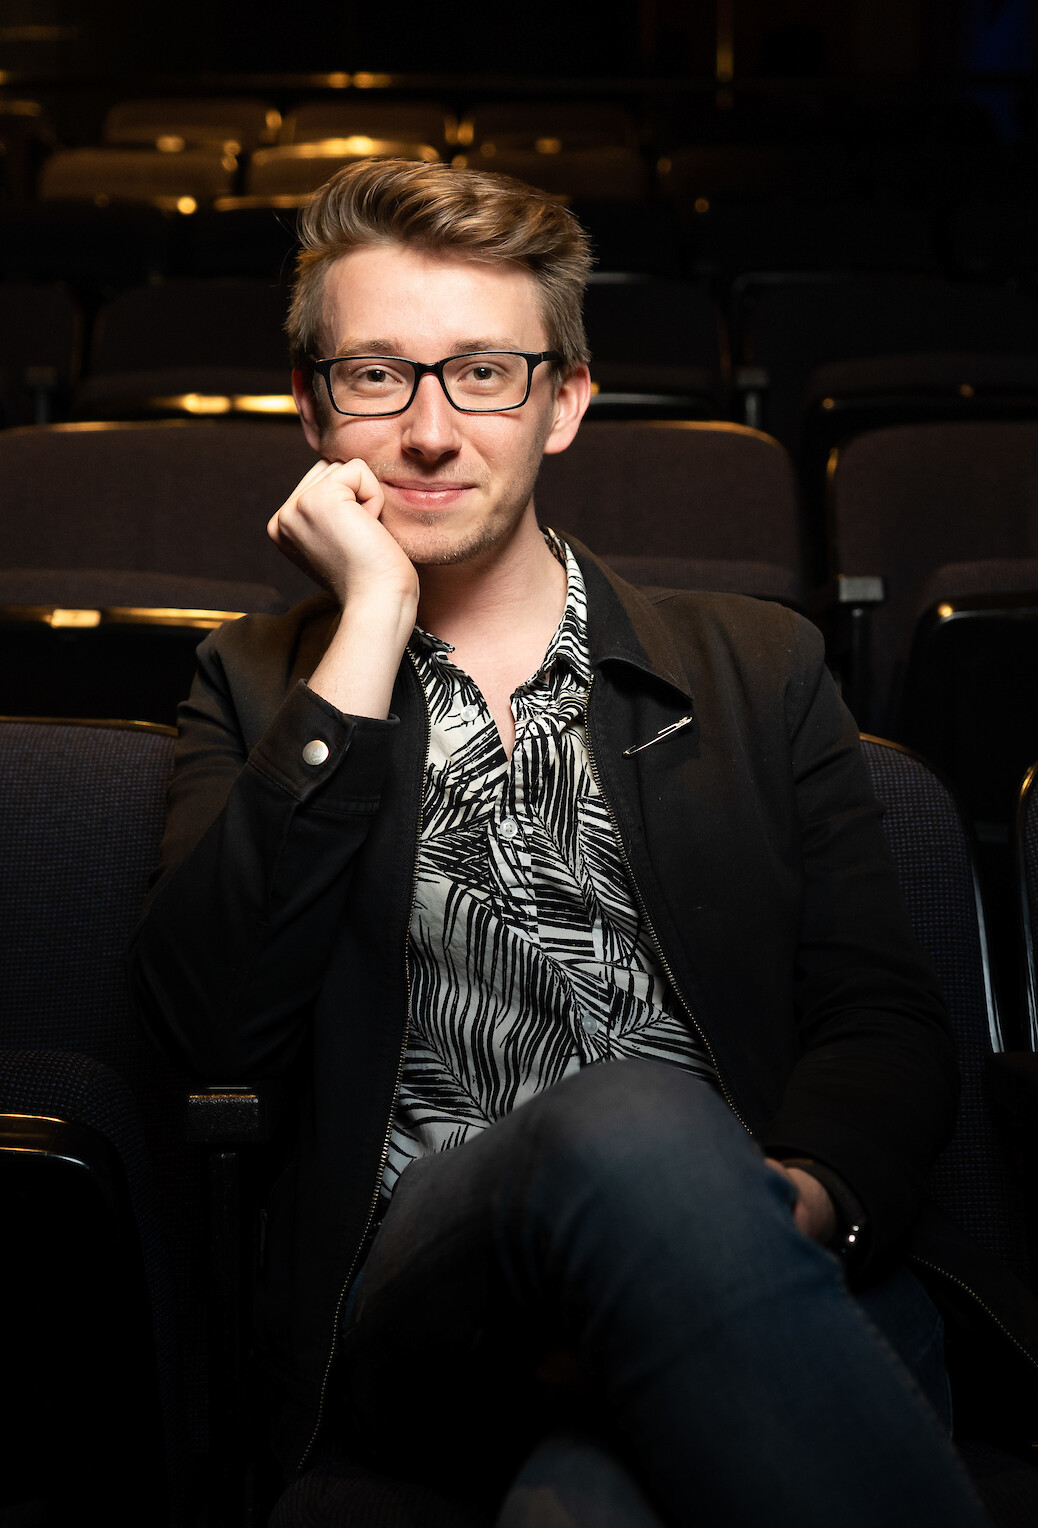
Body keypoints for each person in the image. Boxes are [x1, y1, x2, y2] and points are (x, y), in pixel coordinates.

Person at [128, 158, 1015, 1527]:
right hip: (438, 1302)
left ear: (566, 399)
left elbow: (881, 1019)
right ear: (311, 408)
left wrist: (794, 1204)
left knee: (582, 1509)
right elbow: (211, 1033)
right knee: (628, 1111)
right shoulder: (253, 691)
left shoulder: (757, 666)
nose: (429, 428)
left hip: (749, 1260)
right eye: (376, 376)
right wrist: (366, 627)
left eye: (482, 372)